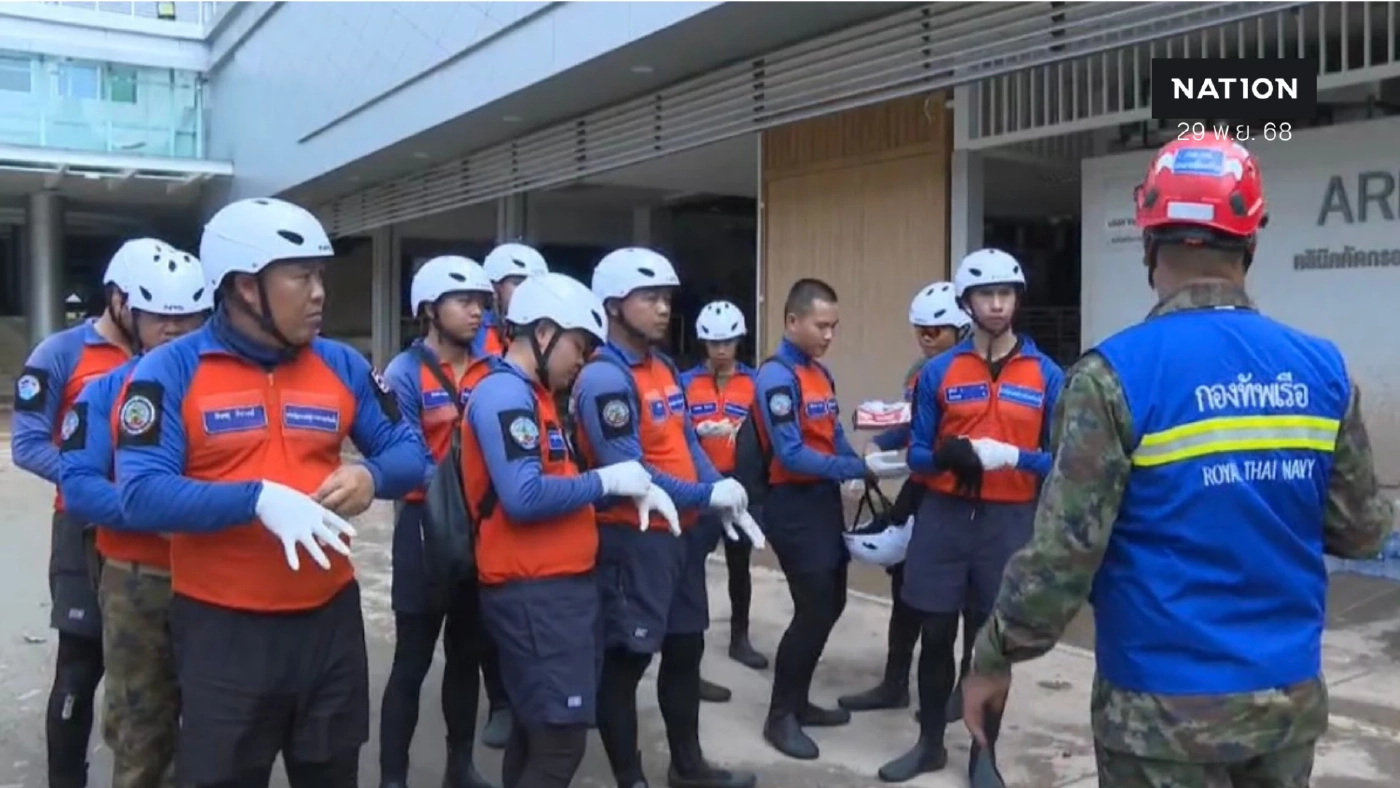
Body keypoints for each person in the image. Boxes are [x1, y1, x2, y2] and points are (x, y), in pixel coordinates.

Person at [962, 136, 1397, 788]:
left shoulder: (1111, 377)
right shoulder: (1322, 371)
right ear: (1250, 242)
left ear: (1148, 243)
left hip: (1156, 714)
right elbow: (1364, 533)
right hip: (1284, 705)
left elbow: (1064, 557)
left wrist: (996, 650)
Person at [113, 197, 430, 788]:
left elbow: (413, 454)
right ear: (243, 287)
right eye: (300, 275)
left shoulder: (342, 364)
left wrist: (372, 477)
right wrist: (255, 498)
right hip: (223, 630)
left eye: (321, 275)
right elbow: (142, 494)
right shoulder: (168, 372)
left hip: (329, 623)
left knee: (331, 771)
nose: (319, 293)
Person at [465, 271, 675, 788]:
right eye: (578, 346)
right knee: (559, 744)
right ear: (543, 334)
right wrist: (605, 479)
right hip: (534, 594)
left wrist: (610, 485)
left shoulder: (535, 397)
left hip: (555, 591)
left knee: (538, 733)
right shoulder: (507, 397)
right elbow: (524, 495)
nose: (582, 361)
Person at [573, 247, 760, 788]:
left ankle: (688, 767)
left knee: (685, 648)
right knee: (627, 661)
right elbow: (631, 472)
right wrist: (706, 495)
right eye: (649, 297)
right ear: (613, 305)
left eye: (666, 299)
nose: (662, 309)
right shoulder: (604, 379)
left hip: (679, 537)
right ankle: (630, 777)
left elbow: (683, 441)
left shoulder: (664, 368)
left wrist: (716, 487)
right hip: (633, 541)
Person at [880, 249, 1063, 784]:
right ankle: (929, 743)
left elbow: (1063, 458)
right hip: (943, 515)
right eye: (986, 295)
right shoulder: (937, 372)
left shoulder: (1048, 374)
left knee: (990, 644)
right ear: (966, 302)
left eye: (1006, 294)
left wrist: (1015, 458)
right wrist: (941, 456)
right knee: (935, 635)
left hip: (1008, 523)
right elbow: (913, 453)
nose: (998, 304)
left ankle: (983, 753)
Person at [57, 240, 212, 788]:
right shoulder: (105, 392)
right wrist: (152, 510)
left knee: (221, 730)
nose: (173, 328)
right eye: (160, 316)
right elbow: (79, 488)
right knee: (141, 731)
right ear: (134, 315)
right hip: (136, 583)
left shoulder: (224, 389)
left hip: (221, 580)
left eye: (187, 315)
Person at [14, 241, 140, 788]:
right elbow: (27, 445)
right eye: (152, 307)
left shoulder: (164, 351)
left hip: (156, 533)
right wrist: (92, 482)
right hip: (83, 529)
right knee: (79, 669)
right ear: (116, 299)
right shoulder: (61, 353)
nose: (168, 320)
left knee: (150, 675)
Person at [380, 255, 504, 788]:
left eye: (482, 303)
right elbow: (402, 450)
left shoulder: (494, 371)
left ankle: (460, 766)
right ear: (430, 309)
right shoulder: (403, 374)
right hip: (424, 530)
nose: (477, 312)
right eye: (464, 302)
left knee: (467, 655)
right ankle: (393, 777)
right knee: (412, 660)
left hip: (479, 528)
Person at [754, 278, 885, 761]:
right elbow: (790, 454)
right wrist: (853, 468)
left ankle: (799, 701)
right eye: (820, 324)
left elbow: (831, 436)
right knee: (811, 610)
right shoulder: (776, 377)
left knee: (830, 604)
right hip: (792, 505)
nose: (829, 334)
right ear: (792, 321)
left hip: (823, 504)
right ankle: (780, 716)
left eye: (834, 326)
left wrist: (862, 466)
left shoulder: (819, 375)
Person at [838, 281, 970, 717]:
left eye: (936, 332)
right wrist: (879, 442)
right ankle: (894, 683)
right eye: (920, 331)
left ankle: (964, 690)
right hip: (922, 487)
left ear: (962, 328)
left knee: (968, 598)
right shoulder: (920, 371)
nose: (926, 339)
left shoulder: (976, 370)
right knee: (906, 584)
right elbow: (914, 422)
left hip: (967, 495)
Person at [680, 300, 769, 673]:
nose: (721, 350)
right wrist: (697, 431)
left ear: (738, 341)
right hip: (700, 489)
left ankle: (740, 637)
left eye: (728, 342)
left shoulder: (755, 382)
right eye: (714, 342)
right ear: (703, 343)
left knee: (739, 566)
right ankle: (689, 643)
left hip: (740, 485)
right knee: (692, 567)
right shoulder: (684, 383)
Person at [477, 242, 550, 358]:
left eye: (534, 285)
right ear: (495, 288)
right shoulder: (475, 330)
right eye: (517, 283)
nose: (526, 290)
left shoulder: (546, 332)